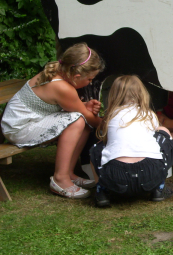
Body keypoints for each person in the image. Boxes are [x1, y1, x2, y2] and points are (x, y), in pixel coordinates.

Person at [1, 43, 104, 199]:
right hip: (18, 128)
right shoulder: (63, 88)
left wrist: (84, 106)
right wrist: (112, 124)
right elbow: (89, 118)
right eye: (89, 79)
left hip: (28, 120)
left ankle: (68, 173)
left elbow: (65, 106)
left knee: (82, 121)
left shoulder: (57, 70)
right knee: (78, 120)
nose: (90, 83)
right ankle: (60, 180)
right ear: (76, 76)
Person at [90, 75, 173, 207]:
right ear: (142, 94)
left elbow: (106, 140)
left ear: (113, 95)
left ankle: (102, 192)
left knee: (97, 148)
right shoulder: (148, 114)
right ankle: (159, 188)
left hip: (116, 176)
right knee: (163, 132)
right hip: (150, 173)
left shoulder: (110, 115)